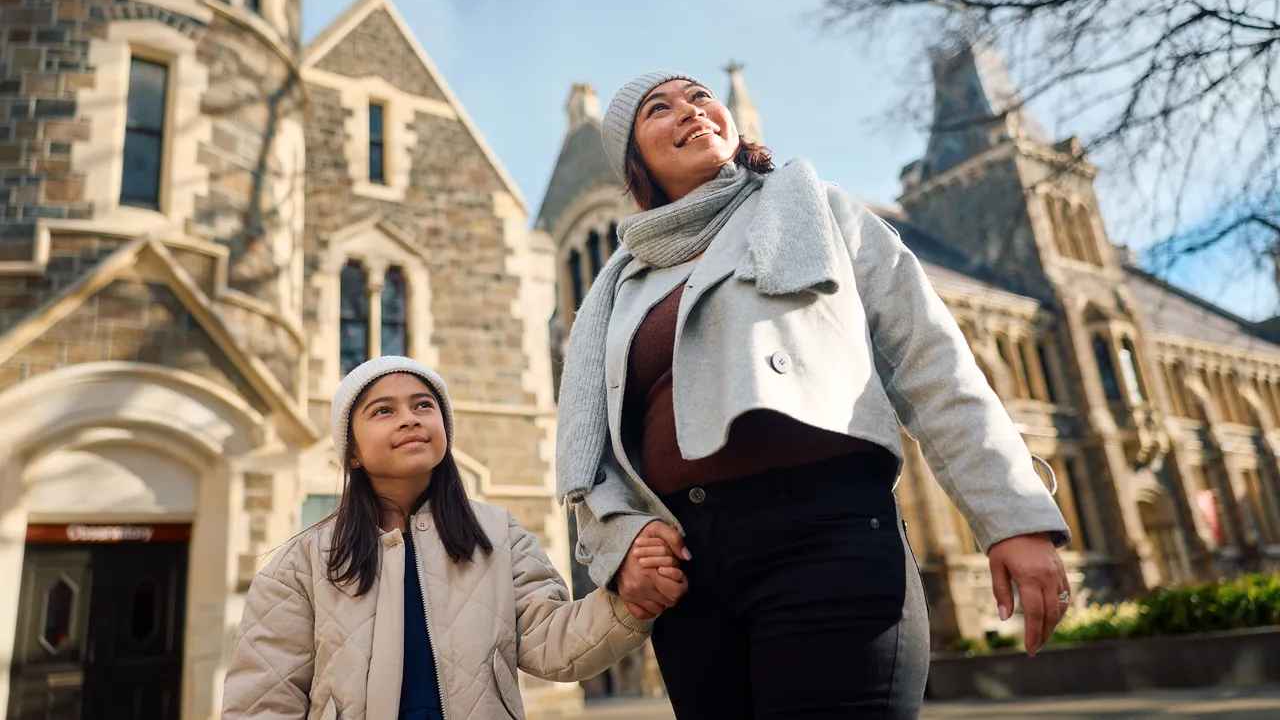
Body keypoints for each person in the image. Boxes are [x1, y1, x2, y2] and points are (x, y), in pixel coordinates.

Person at [555, 71, 1073, 719]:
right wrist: (622, 541)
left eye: (698, 95)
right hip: (690, 575)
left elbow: (932, 363)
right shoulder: (619, 284)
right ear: (634, 160)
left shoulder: (818, 208)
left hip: (826, 538)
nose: (690, 110)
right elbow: (591, 444)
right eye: (659, 109)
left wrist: (1013, 514)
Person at [222, 356, 669, 720]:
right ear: (352, 451)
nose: (409, 420)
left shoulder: (499, 534)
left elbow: (553, 643)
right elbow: (262, 702)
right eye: (383, 410)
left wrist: (628, 603)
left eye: (423, 406)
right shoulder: (300, 565)